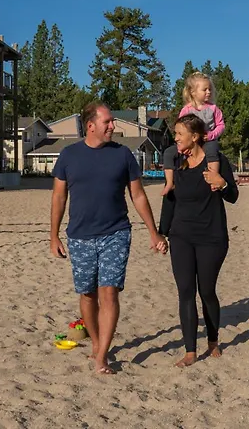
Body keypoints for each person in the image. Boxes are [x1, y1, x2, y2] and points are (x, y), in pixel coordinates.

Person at [50, 101, 167, 375]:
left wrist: (153, 232)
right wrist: (53, 236)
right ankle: (96, 341)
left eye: (113, 121)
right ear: (91, 126)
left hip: (116, 233)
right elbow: (59, 197)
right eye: (108, 122)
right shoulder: (68, 155)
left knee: (109, 291)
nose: (113, 126)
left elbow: (138, 195)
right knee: (87, 294)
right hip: (80, 236)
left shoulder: (123, 155)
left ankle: (102, 355)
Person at [158, 114, 239, 368]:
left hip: (211, 237)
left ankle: (213, 341)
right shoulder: (176, 163)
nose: (175, 138)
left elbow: (233, 196)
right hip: (181, 236)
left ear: (195, 137)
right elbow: (169, 199)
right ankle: (190, 351)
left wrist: (221, 183)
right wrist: (161, 233)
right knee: (185, 292)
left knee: (206, 291)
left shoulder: (216, 162)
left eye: (179, 134)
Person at [161, 71, 225, 196]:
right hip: (189, 142)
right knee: (168, 152)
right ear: (193, 92)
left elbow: (221, 125)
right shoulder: (186, 110)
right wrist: (181, 146)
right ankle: (169, 182)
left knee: (212, 151)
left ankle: (213, 179)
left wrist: (211, 135)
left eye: (210, 89)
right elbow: (180, 129)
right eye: (204, 89)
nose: (208, 92)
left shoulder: (213, 109)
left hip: (207, 141)